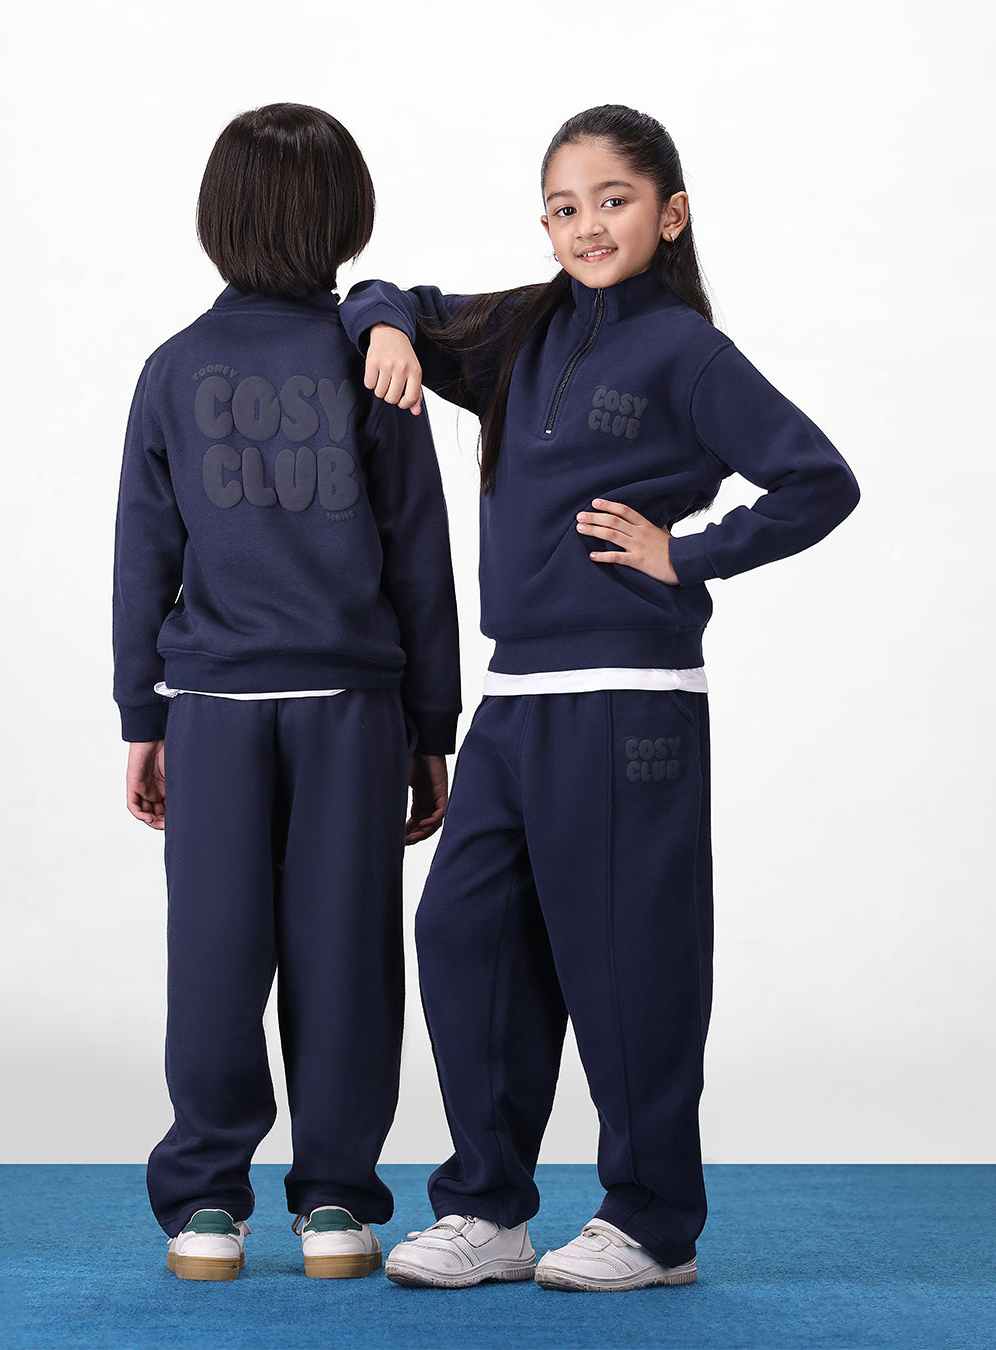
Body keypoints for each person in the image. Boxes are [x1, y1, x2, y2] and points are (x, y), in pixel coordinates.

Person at [339, 103, 859, 1293]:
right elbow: (381, 295)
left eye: (612, 201)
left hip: (630, 702)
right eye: (563, 208)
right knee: (464, 934)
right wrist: (390, 330)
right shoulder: (522, 329)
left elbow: (820, 480)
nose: (586, 225)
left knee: (628, 960)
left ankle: (653, 1223)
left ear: (670, 215)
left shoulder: (688, 353)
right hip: (515, 699)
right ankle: (489, 1210)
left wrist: (691, 553)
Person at [112, 103, 460, 1283]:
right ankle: (336, 1206)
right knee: (346, 954)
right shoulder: (377, 364)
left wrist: (143, 717)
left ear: (218, 219)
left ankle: (208, 1206)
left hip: (212, 708)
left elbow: (143, 557)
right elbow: (419, 557)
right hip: (352, 709)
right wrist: (431, 729)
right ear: (345, 217)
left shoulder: (171, 370)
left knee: (213, 953)